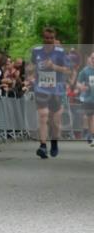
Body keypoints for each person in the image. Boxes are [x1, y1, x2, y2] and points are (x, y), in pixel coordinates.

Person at [29, 26, 72, 159]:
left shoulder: (60, 52)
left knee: (55, 120)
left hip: (56, 90)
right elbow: (32, 66)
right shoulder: (36, 51)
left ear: (54, 38)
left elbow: (68, 70)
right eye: (47, 38)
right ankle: (42, 146)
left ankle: (54, 142)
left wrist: (54, 66)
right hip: (41, 88)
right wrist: (31, 75)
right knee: (43, 115)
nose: (49, 40)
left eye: (51, 38)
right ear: (43, 38)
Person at [77, 51, 94, 146]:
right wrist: (81, 87)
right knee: (90, 118)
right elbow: (78, 82)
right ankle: (91, 135)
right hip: (89, 99)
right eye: (93, 58)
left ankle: (91, 135)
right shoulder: (85, 71)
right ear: (91, 59)